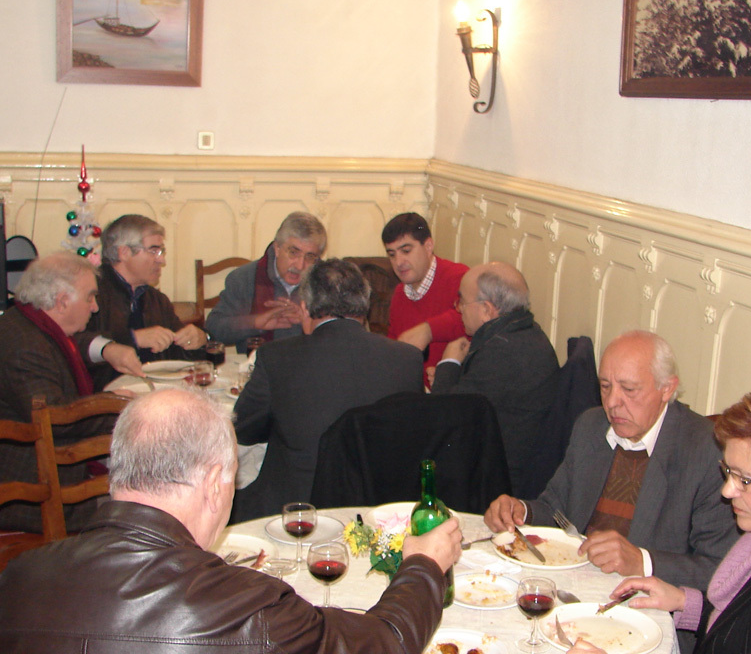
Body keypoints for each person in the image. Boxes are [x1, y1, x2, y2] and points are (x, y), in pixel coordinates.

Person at [0, 388, 463, 654]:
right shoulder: (245, 608)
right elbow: (384, 642)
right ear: (217, 479)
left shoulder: (18, 577)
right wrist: (421, 565)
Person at [484, 330, 739, 592]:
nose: (613, 403)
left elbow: (720, 569)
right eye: (605, 387)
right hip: (575, 584)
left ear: (667, 389)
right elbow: (558, 511)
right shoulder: (591, 426)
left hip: (647, 603)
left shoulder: (705, 449)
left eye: (629, 389)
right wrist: (522, 511)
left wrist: (643, 562)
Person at [573, 378, 751, 654]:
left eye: (744, 479)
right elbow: (743, 625)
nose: (727, 491)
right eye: (728, 472)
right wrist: (684, 601)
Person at [233, 258, 423, 520]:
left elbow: (243, 428)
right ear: (364, 304)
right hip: (376, 506)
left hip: (295, 508)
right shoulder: (407, 359)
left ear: (306, 306)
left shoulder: (276, 358)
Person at [0, 251, 143, 532]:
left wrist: (107, 349)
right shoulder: (24, 346)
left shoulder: (29, 324)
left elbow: (71, 345)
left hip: (47, 464)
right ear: (62, 301)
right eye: (90, 297)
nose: (95, 307)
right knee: (144, 503)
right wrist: (122, 409)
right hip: (35, 490)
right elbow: (58, 419)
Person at [431, 261, 559, 499]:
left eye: (462, 302)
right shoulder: (525, 333)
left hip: (502, 483)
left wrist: (447, 365)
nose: (459, 309)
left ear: (487, 310)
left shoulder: (503, 351)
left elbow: (444, 415)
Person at [85, 214, 207, 389]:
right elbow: (75, 345)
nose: (162, 260)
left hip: (154, 394)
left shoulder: (156, 299)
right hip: (104, 399)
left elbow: (180, 357)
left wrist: (199, 339)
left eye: (161, 251)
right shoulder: (91, 292)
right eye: (154, 250)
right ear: (124, 252)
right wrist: (133, 339)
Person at [206, 211, 327, 352]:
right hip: (255, 368)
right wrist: (255, 322)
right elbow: (215, 328)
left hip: (311, 367)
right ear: (277, 248)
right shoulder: (244, 278)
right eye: (293, 252)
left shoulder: (325, 283)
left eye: (310, 257)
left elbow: (343, 333)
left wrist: (308, 322)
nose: (300, 266)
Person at [382, 212, 467, 384]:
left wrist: (429, 330)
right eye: (392, 254)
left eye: (406, 251)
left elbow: (476, 320)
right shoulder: (399, 295)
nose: (398, 262)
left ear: (428, 246)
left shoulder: (459, 278)